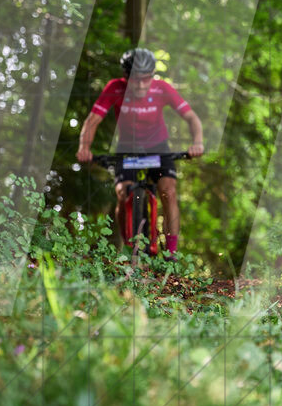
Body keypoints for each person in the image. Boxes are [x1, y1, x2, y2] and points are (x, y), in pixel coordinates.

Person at [77, 48, 204, 261]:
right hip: (127, 148)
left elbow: (192, 118)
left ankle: (171, 252)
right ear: (125, 77)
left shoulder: (162, 89)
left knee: (169, 191)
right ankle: (129, 246)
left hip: (158, 147)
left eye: (147, 79)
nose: (142, 85)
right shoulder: (115, 89)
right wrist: (84, 147)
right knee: (122, 193)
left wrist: (197, 143)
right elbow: (93, 120)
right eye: (136, 80)